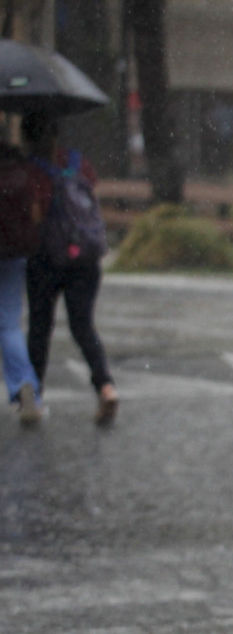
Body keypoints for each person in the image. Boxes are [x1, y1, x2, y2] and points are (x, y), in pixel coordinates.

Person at [22, 110, 116, 424]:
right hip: (86, 260)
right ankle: (106, 387)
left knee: (40, 329)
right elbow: (90, 193)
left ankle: (32, 400)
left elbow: (34, 217)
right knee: (83, 327)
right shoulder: (77, 162)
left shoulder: (32, 171)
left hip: (46, 260)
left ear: (27, 138)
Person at [0, 129, 42, 425]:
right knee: (9, 323)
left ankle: (22, 384)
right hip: (15, 253)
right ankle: (24, 386)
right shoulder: (23, 170)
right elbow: (36, 214)